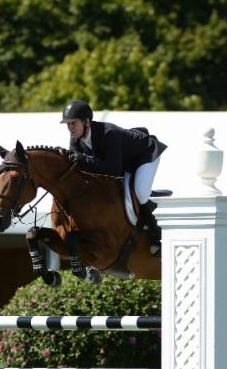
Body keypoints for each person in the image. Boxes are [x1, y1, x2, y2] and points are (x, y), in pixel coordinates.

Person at [60, 99, 167, 255]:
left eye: (73, 123)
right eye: (67, 124)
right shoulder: (75, 139)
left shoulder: (109, 133)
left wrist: (84, 159)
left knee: (141, 192)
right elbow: (79, 167)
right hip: (123, 162)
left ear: (87, 121)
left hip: (145, 155)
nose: (70, 128)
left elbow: (113, 170)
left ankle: (157, 236)